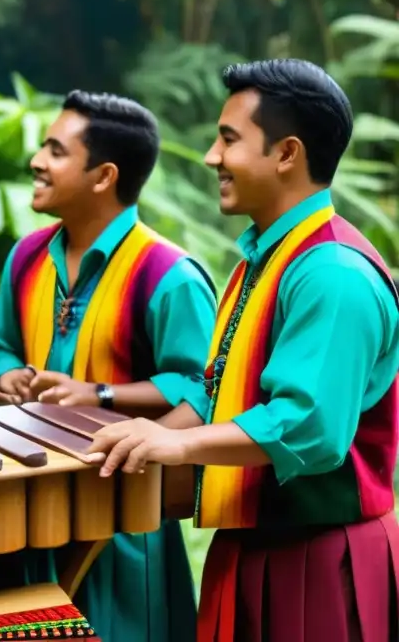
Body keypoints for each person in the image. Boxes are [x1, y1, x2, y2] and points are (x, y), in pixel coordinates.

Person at [85, 59, 399, 641]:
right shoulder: (264, 259)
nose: (212, 157)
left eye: (228, 139)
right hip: (256, 547)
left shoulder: (332, 274)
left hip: (318, 560)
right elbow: (218, 391)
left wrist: (175, 444)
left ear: (286, 154)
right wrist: (130, 444)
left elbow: (308, 428)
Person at [0, 90, 217, 642]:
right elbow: (2, 345)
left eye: (55, 151)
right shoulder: (25, 257)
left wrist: (100, 396)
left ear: (103, 176)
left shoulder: (171, 275)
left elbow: (205, 390)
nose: (37, 161)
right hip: (29, 506)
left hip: (125, 519)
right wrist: (8, 375)